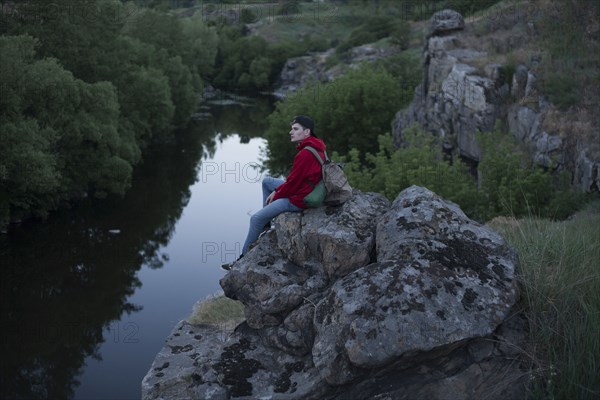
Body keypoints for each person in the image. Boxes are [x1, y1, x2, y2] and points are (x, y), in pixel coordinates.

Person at [222, 115, 326, 270]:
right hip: (305, 188)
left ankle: (242, 260)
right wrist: (277, 189)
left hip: (300, 199)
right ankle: (266, 225)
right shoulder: (317, 147)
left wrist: (277, 193)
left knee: (255, 219)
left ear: (307, 132)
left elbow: (292, 184)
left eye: (295, 129)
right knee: (267, 181)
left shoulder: (305, 154)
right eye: (292, 128)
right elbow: (295, 180)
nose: (291, 132)